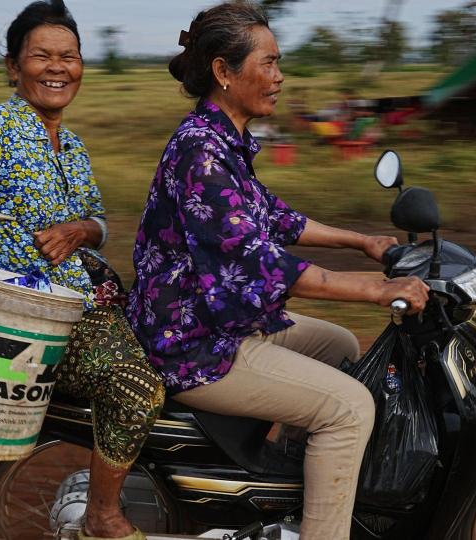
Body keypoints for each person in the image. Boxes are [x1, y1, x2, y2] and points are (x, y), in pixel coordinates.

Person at [126, 3, 429, 539]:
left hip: (220, 322)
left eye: (277, 62)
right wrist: (378, 290)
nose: (279, 76)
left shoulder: (222, 140)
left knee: (340, 347)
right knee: (351, 407)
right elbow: (262, 262)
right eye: (267, 63)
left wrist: (362, 241)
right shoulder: (201, 155)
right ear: (225, 72)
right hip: (194, 340)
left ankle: (283, 496)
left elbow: (273, 215)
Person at [0, 2, 160, 539]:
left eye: (68, 56)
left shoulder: (70, 145)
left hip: (85, 298)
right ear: (12, 67)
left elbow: (97, 219)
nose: (57, 67)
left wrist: (81, 230)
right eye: (41, 56)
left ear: (82, 67)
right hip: (28, 318)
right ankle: (102, 516)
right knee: (136, 387)